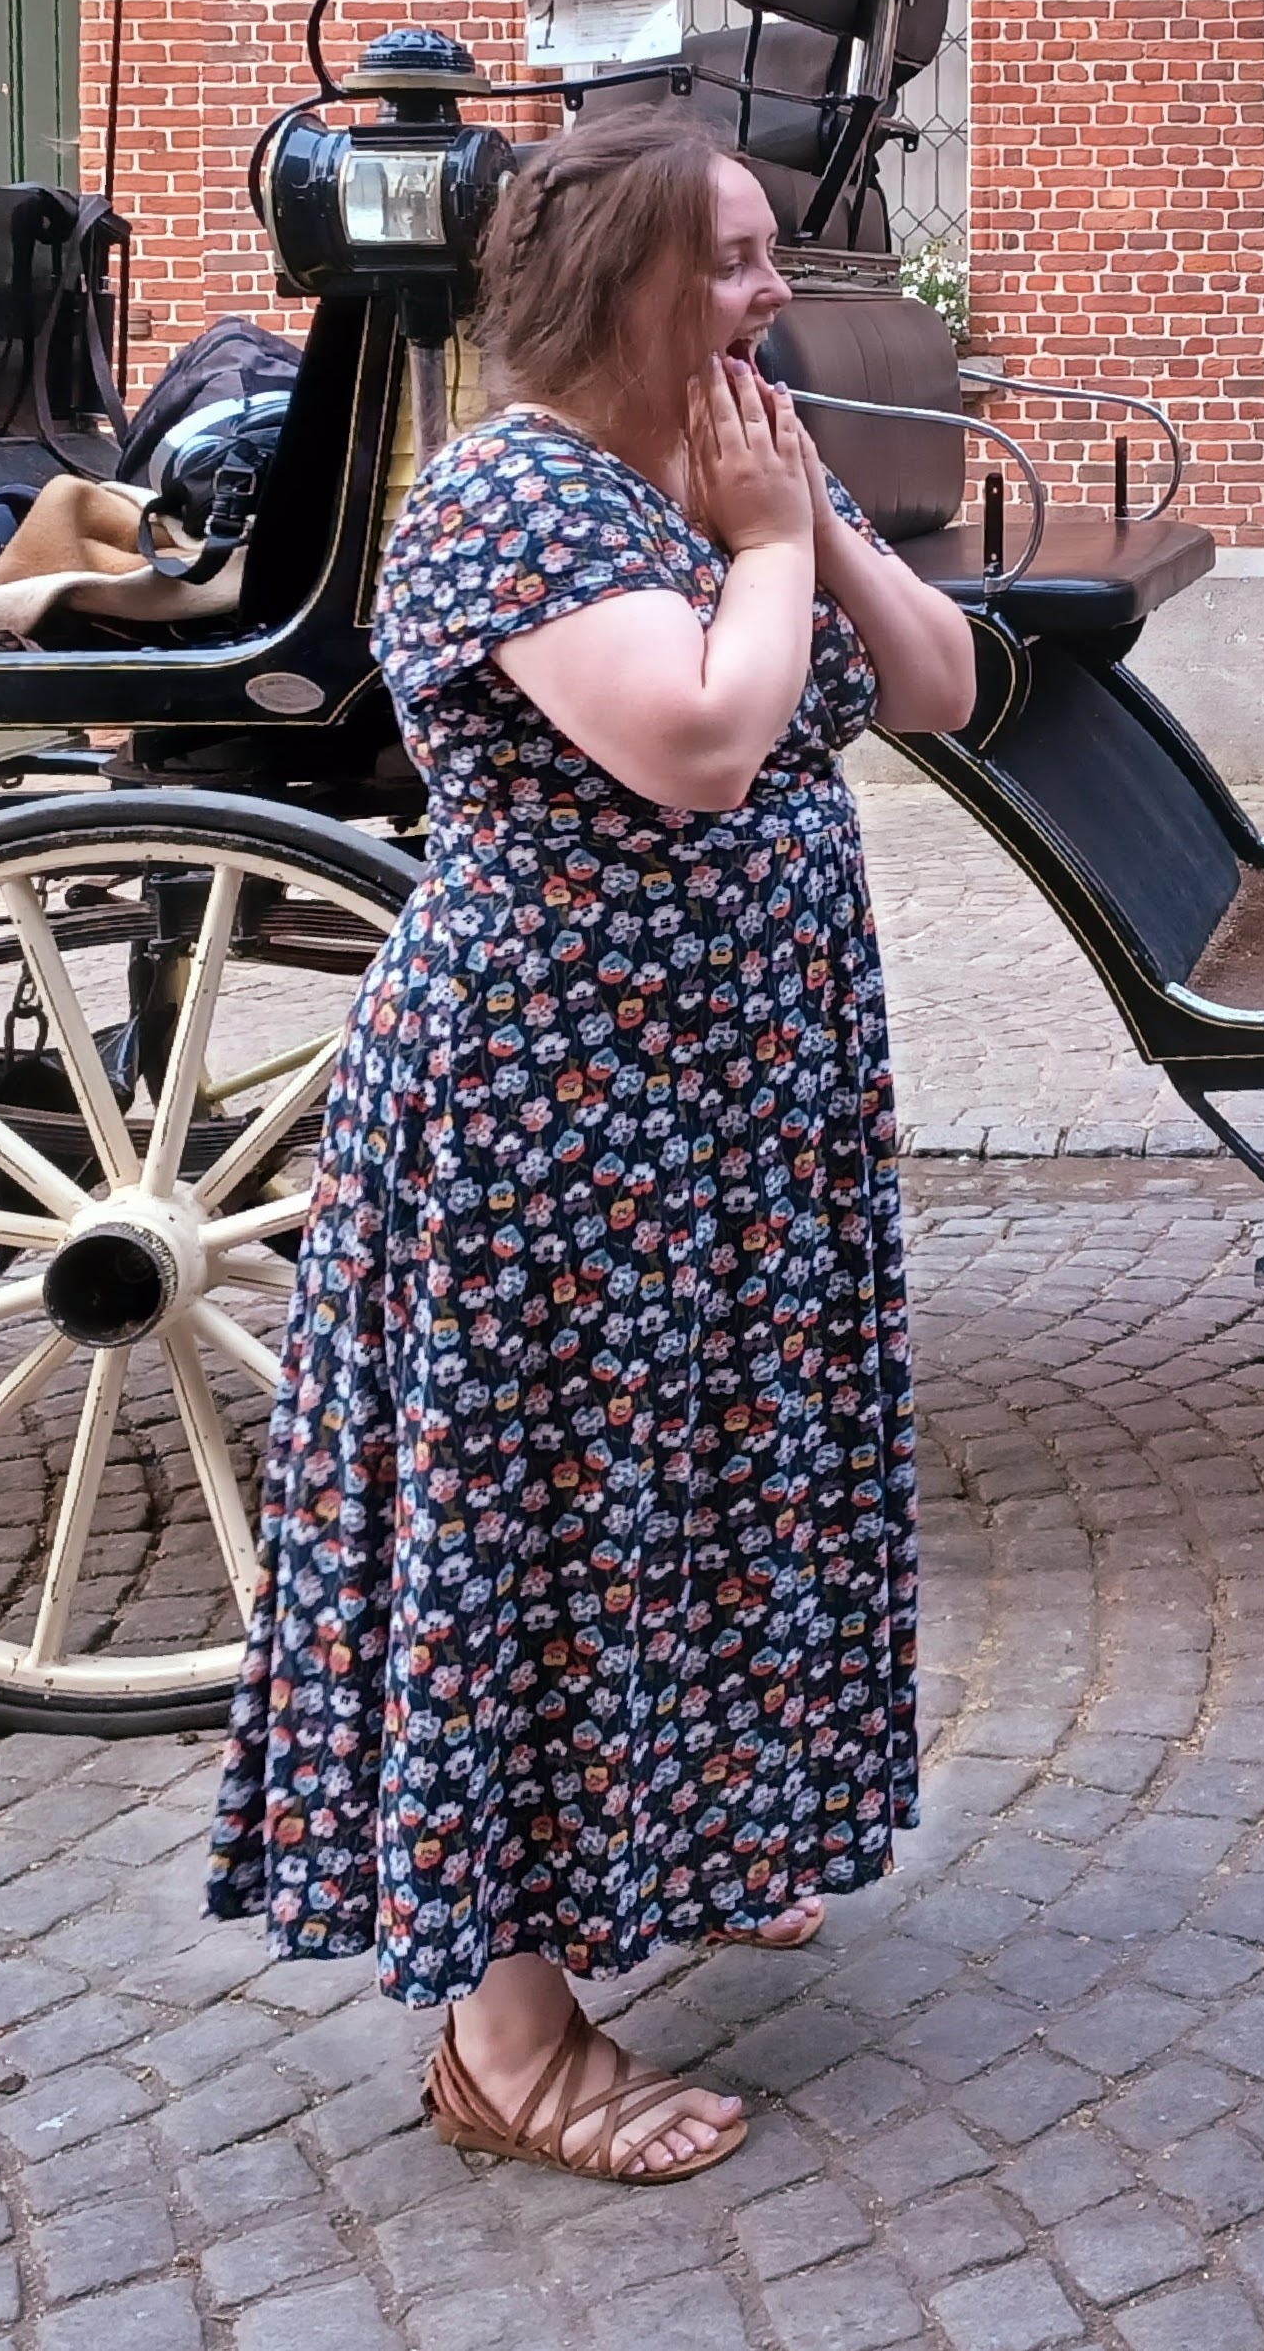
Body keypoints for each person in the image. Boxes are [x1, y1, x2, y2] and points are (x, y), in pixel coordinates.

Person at [207, 107, 976, 2184]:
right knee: (540, 1543)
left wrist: (804, 518)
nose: (767, 293)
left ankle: (695, 1835)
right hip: (550, 1135)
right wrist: (763, 546)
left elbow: (941, 689)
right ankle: (508, 2040)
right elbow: (704, 747)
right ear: (623, 285)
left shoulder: (710, 483)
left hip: (728, 1132)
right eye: (728, 260)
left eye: (766, 254)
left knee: (707, 1498)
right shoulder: (508, 500)